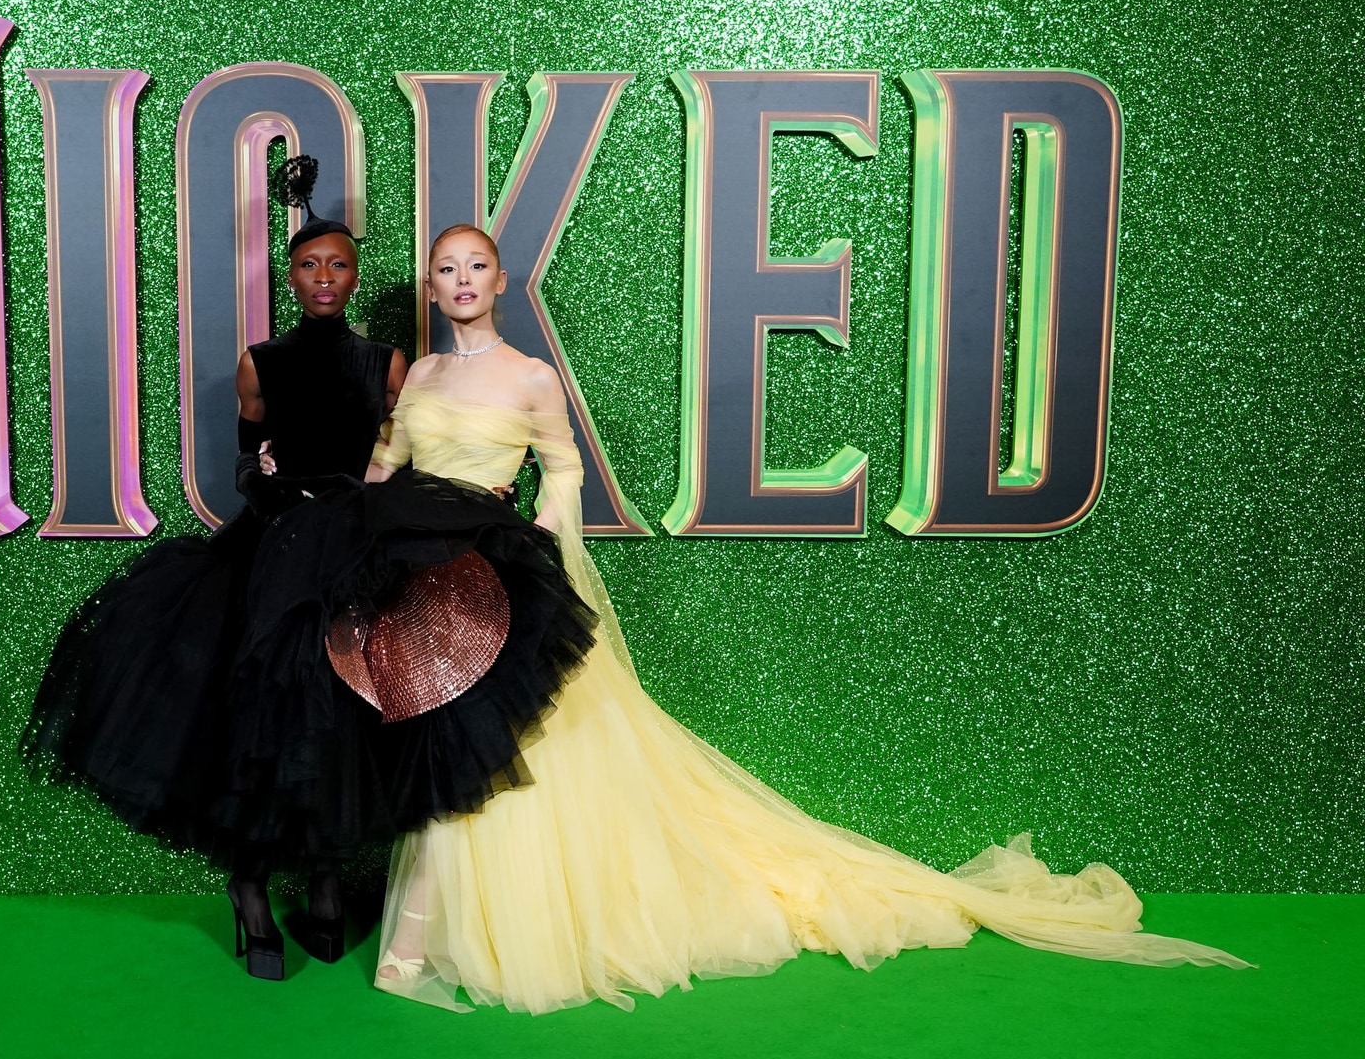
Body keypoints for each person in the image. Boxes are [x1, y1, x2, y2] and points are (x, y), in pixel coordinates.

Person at [366, 223, 1250, 1014]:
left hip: (502, 578)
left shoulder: (531, 377)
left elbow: (564, 471)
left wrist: (536, 539)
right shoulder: (425, 377)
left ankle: (421, 943)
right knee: (445, 745)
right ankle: (441, 932)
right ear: (436, 288)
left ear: (502, 280)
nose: (462, 280)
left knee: (495, 751)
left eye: (476, 264)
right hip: (425, 585)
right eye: (447, 269)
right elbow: (387, 467)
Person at [23, 156, 404, 979]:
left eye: (338, 263)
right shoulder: (260, 362)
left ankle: (330, 879)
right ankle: (251, 887)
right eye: (309, 265)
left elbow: (394, 459)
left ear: (355, 272)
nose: (325, 276)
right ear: (291, 277)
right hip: (270, 550)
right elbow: (247, 458)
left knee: (343, 713)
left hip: (352, 554)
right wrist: (271, 492)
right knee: (256, 715)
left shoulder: (387, 364)